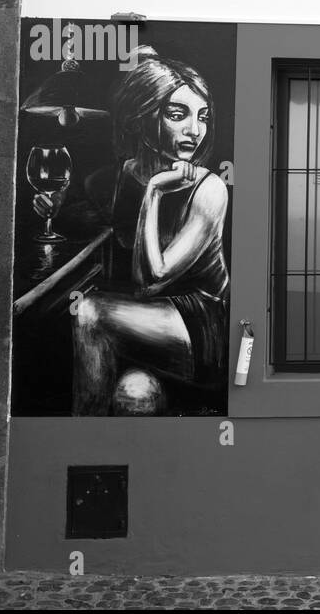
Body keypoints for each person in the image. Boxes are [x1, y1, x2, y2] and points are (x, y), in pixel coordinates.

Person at [57, 48, 230, 416]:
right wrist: (52, 209)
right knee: (134, 393)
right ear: (139, 117)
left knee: (90, 312)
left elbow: (155, 277)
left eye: (202, 117)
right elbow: (81, 228)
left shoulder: (210, 189)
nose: (194, 130)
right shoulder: (114, 178)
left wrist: (152, 192)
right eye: (177, 114)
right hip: (142, 322)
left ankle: (80, 436)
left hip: (202, 328)